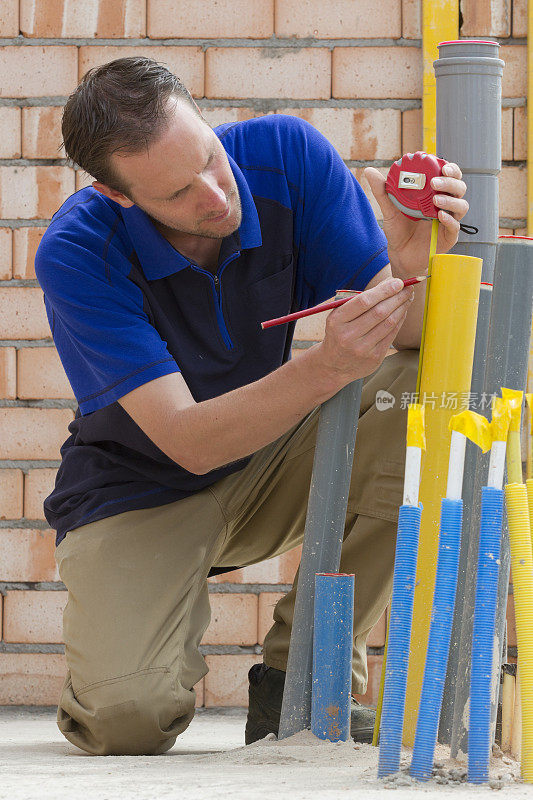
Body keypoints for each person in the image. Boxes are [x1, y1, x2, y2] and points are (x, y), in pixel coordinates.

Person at [35, 56, 468, 756]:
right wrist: (326, 364)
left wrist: (412, 269)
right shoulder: (77, 251)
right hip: (136, 492)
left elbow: (404, 338)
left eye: (208, 157)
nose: (213, 196)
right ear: (118, 196)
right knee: (127, 722)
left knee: (420, 386)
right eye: (177, 193)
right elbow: (188, 441)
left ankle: (301, 676)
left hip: (270, 464)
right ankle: (152, 627)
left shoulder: (287, 155)